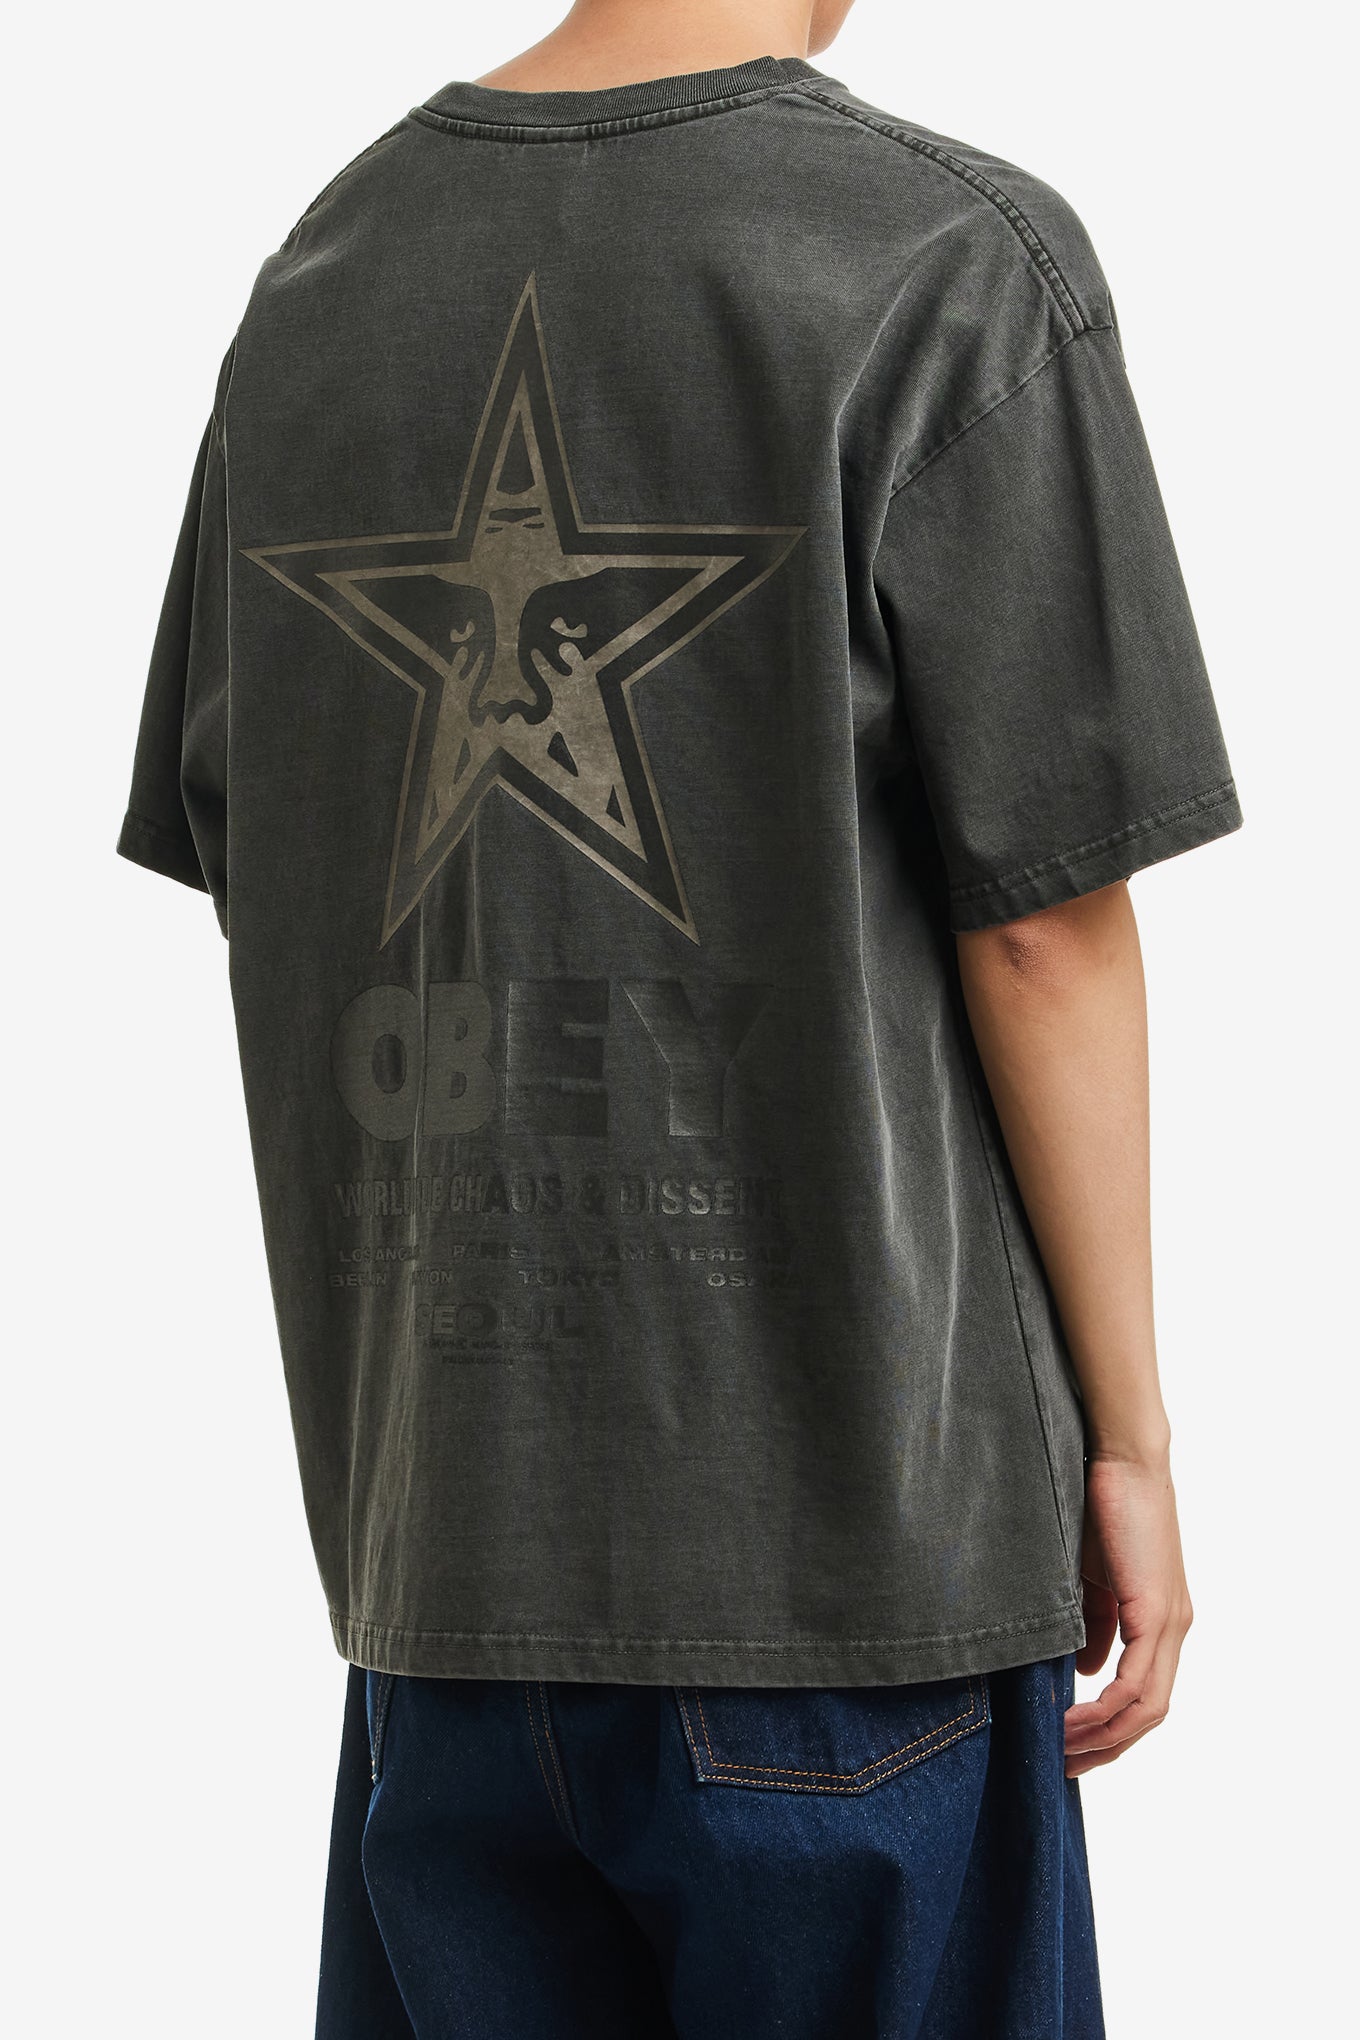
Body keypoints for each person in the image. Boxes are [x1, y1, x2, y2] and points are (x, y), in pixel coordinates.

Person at [114, 1, 1242, 2032]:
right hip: (851, 1577)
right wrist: (1130, 1445)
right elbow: (1045, 933)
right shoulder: (945, 254)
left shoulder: (322, 275)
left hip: (438, 1598)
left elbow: (250, 843)